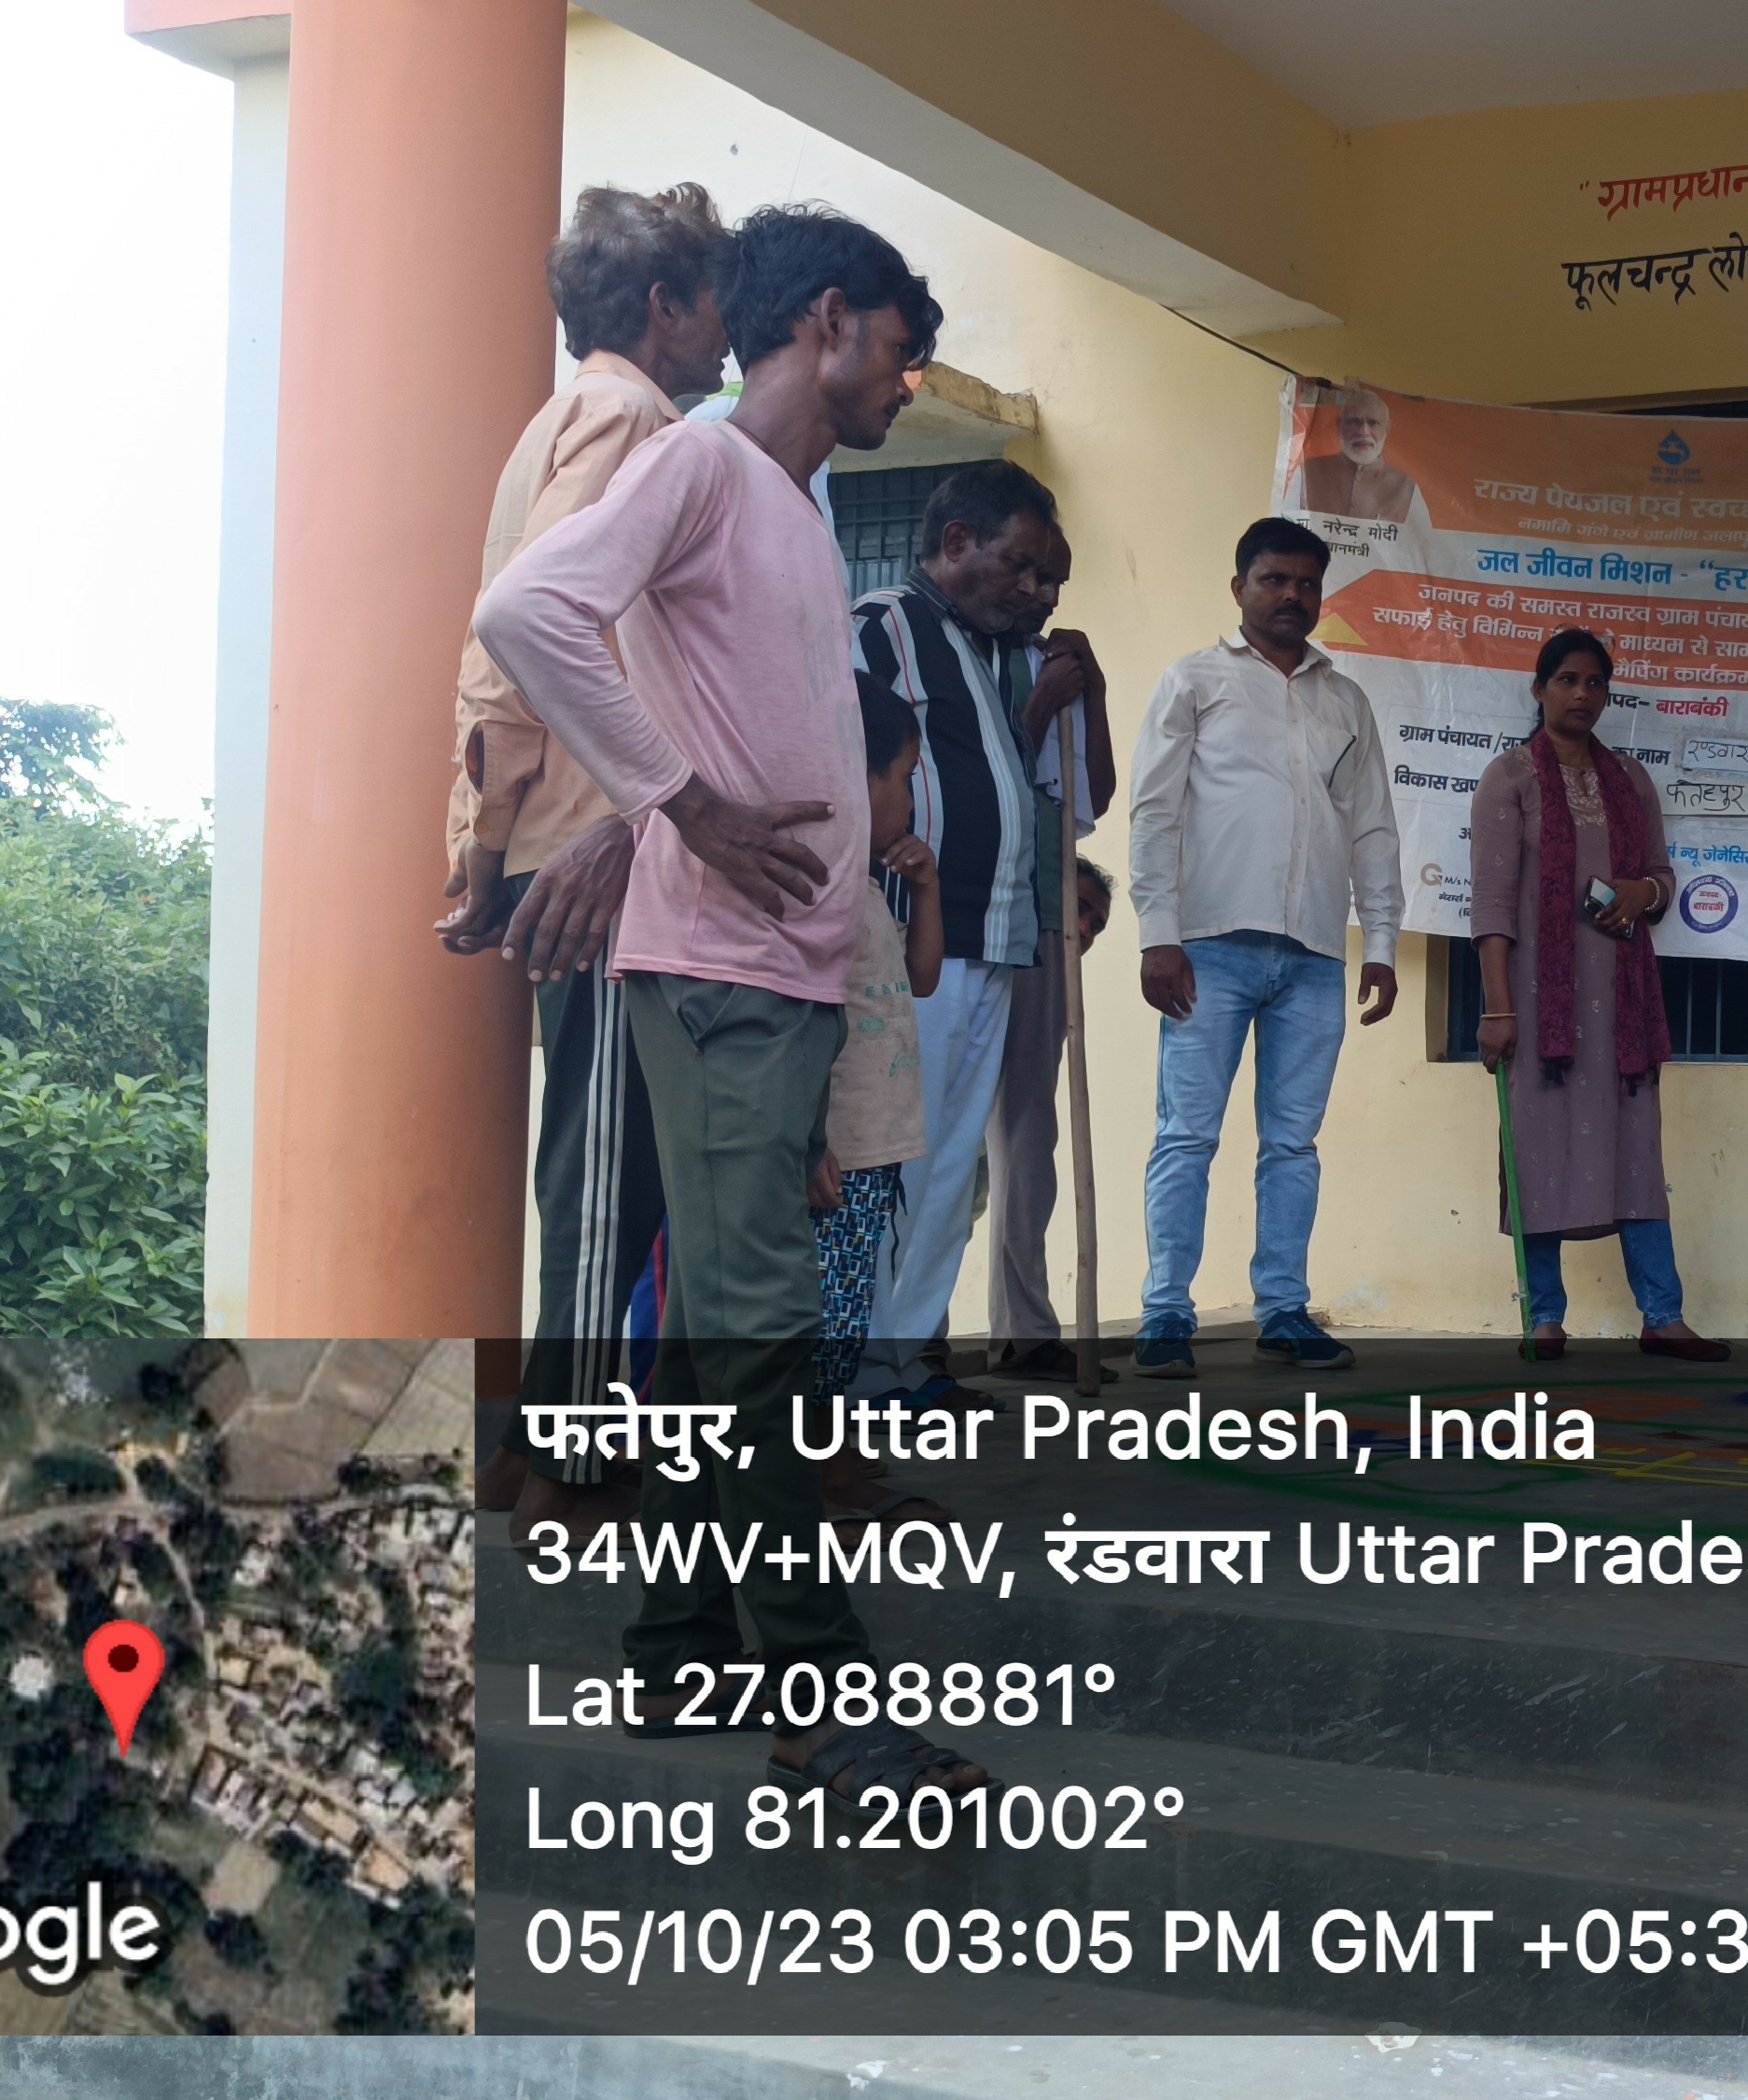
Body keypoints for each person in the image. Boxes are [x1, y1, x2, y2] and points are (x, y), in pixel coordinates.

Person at [477, 203, 989, 1801]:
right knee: (759, 1333)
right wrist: (677, 805)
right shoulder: (697, 462)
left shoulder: (793, 512)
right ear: (826, 320)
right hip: (712, 978)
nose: (905, 382)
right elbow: (527, 613)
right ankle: (824, 1703)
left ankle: (682, 1645)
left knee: (719, 1337)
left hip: (782, 982)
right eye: (901, 352)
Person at [434, 182, 734, 1538]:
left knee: (607, 1156)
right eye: (714, 302)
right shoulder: (629, 422)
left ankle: (539, 1449)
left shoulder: (571, 417)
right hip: (595, 841)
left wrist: (484, 834)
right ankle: (568, 1460)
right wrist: (495, 838)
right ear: (665, 307)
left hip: (567, 828)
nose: (727, 332)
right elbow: (525, 627)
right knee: (610, 1162)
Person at [845, 463, 1113, 1399]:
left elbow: (1059, 792)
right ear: (956, 543)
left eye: (1050, 578)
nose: (1040, 592)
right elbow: (841, 766)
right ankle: (859, 1367)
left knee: (952, 1169)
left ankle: (905, 1362)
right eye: (1022, 567)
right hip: (908, 941)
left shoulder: (998, 652)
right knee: (894, 1163)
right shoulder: (880, 627)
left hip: (996, 937)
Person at [1125, 518, 1404, 1378]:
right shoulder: (1194, 681)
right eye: (1274, 579)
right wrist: (1157, 936)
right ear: (1239, 587)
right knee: (1187, 1136)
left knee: (1292, 1144)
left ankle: (1283, 1309)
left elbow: (1373, 827)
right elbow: (1154, 813)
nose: (1292, 596)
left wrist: (1381, 940)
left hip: (1314, 956)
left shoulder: (1345, 701)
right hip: (1207, 949)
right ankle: (1165, 1313)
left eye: (1307, 583)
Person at [1470, 630, 1726, 1362]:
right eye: (1567, 680)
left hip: (1621, 1008)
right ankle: (1544, 1318)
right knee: (1537, 1152)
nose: (1582, 694)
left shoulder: (1630, 780)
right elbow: (1491, 907)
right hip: (1535, 1006)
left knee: (1636, 1154)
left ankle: (1662, 1315)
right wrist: (1498, 1009)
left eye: (1595, 683)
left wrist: (1644, 892)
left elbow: (1662, 878)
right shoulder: (1510, 779)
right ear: (1539, 689)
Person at [810, 682, 942, 1401]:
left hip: (876, 1152)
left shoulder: (862, 889)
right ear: (855, 778)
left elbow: (922, 977)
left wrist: (926, 889)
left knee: (850, 1304)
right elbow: (799, 1026)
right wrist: (809, 1141)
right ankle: (813, 1441)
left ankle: (823, 1434)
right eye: (904, 779)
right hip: (839, 1155)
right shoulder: (818, 896)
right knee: (825, 1313)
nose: (910, 806)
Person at [1296, 386, 1419, 523]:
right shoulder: (1307, 471)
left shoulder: (1406, 485)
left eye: (1373, 423)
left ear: (1387, 429)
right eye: (1354, 422)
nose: (1363, 432)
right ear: (1339, 425)